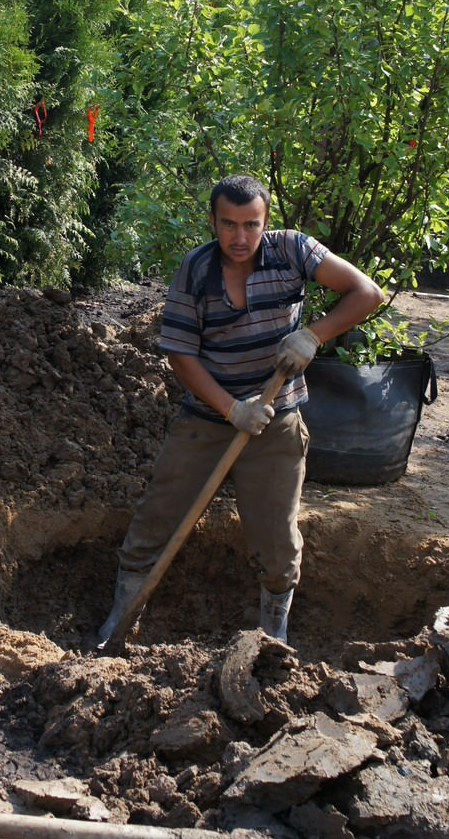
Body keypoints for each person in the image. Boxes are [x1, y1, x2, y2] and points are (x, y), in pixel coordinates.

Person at [98, 174, 384, 648]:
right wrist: (232, 411)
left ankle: (274, 634)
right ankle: (122, 615)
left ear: (266, 221)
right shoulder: (196, 269)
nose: (240, 237)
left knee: (277, 540)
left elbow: (366, 293)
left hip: (277, 424)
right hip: (207, 420)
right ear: (213, 221)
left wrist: (314, 334)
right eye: (228, 225)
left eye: (251, 225)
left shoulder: (293, 251)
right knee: (156, 519)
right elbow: (181, 356)